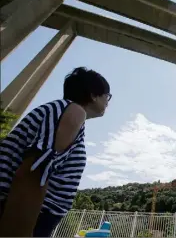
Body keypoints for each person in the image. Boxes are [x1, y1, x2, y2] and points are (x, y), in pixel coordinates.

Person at [0, 67, 111, 236]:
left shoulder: (62, 112)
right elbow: (34, 173)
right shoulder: (73, 111)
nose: (108, 101)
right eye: (107, 96)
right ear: (93, 95)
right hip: (22, 217)